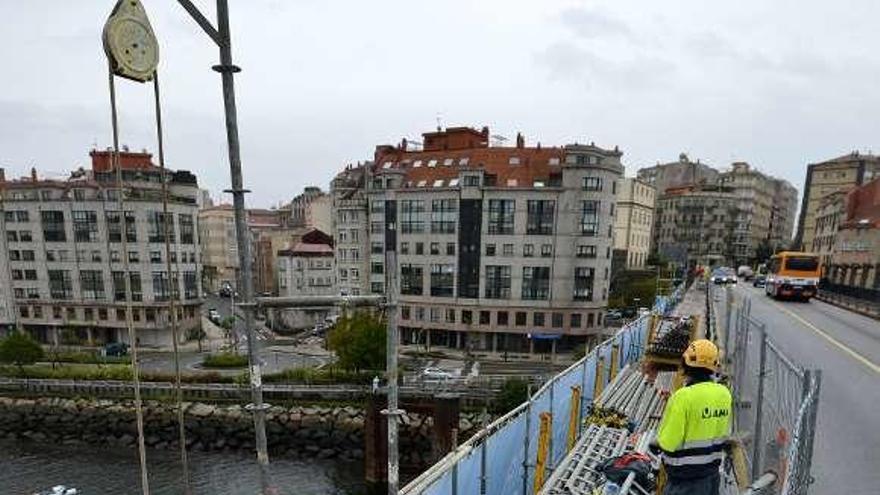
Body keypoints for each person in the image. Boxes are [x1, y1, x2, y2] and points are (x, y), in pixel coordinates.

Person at [655, 339, 731, 495]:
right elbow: (723, 431)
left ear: (686, 363)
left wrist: (656, 442)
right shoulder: (724, 393)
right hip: (711, 476)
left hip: (684, 482)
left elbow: (668, 442)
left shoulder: (682, 397)